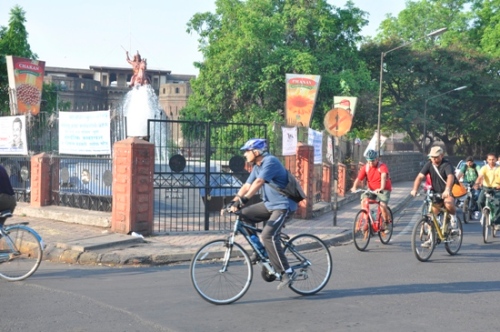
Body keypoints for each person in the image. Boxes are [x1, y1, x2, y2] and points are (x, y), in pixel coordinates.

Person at [227, 138, 298, 290]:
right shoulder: (256, 166)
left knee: (268, 235)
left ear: (256, 152)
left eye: (247, 151)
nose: (245, 154)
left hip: (283, 206)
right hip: (269, 205)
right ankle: (259, 250)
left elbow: (258, 183)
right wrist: (234, 202)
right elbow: (246, 185)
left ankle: (287, 272)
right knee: (243, 214)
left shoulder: (270, 162)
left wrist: (244, 200)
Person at [410, 146, 459, 245]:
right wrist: (414, 189)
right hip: (435, 192)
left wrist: (447, 189)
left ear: (442, 155)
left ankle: (453, 219)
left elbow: (450, 177)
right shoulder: (429, 164)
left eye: (436, 157)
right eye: (432, 157)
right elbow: (420, 177)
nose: (434, 159)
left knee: (448, 204)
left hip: (447, 192)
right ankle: (431, 239)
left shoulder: (447, 165)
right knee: (432, 216)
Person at [350, 149, 393, 231]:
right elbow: (359, 178)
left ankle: (387, 222)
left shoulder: (382, 167)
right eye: (369, 161)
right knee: (364, 201)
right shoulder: (366, 167)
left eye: (372, 161)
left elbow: (383, 177)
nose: (371, 163)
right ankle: (367, 221)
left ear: (377, 159)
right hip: (371, 189)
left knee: (382, 205)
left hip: (384, 189)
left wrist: (381, 188)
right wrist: (354, 187)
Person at [473, 153, 500, 228]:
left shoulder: (499, 168)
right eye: (490, 160)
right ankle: (484, 214)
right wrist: (477, 184)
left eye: (493, 159)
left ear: (496, 159)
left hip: (496, 189)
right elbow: (480, 176)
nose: (491, 161)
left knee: (497, 204)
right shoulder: (484, 168)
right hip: (486, 188)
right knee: (480, 201)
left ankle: (496, 222)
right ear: (487, 160)